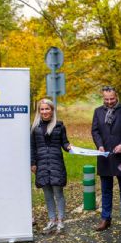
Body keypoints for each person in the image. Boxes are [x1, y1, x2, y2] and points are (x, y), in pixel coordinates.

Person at [92, 86, 121, 231]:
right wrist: (99, 145)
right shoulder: (98, 112)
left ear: (116, 96)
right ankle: (106, 218)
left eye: (112, 99)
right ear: (103, 98)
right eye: (106, 99)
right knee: (106, 189)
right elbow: (95, 131)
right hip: (104, 156)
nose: (109, 102)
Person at [30, 98, 71, 234]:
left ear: (52, 110)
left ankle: (61, 220)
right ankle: (52, 220)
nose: (44, 111)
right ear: (39, 111)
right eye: (42, 109)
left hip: (55, 163)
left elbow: (64, 143)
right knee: (47, 194)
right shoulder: (34, 127)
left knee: (58, 193)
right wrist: (33, 163)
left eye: (47, 109)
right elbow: (32, 147)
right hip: (41, 164)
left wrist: (68, 146)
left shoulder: (59, 126)